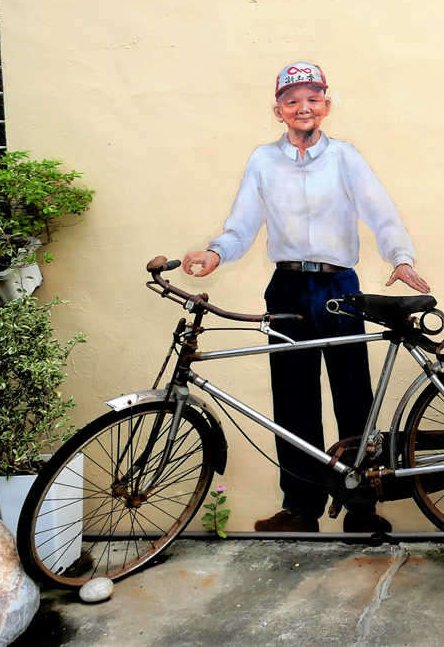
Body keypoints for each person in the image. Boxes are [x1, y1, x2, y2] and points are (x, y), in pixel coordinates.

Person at [182, 61, 430, 533]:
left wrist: (400, 257)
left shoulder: (346, 158)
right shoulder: (262, 160)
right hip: (288, 288)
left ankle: (361, 508)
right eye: (293, 100)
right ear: (278, 110)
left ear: (326, 106)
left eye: (313, 99)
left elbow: (381, 211)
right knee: (293, 399)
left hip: (339, 287)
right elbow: (243, 222)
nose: (304, 108)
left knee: (353, 395)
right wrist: (216, 253)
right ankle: (300, 508)